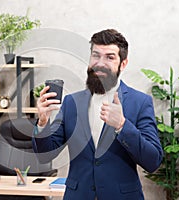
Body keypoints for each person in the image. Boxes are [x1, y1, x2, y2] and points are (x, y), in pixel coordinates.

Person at [32, 29, 163, 200]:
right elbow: (45, 155)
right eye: (96, 55)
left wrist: (122, 125)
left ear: (123, 64)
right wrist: (42, 122)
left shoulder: (140, 102)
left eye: (109, 57)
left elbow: (152, 161)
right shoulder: (72, 102)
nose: (100, 63)